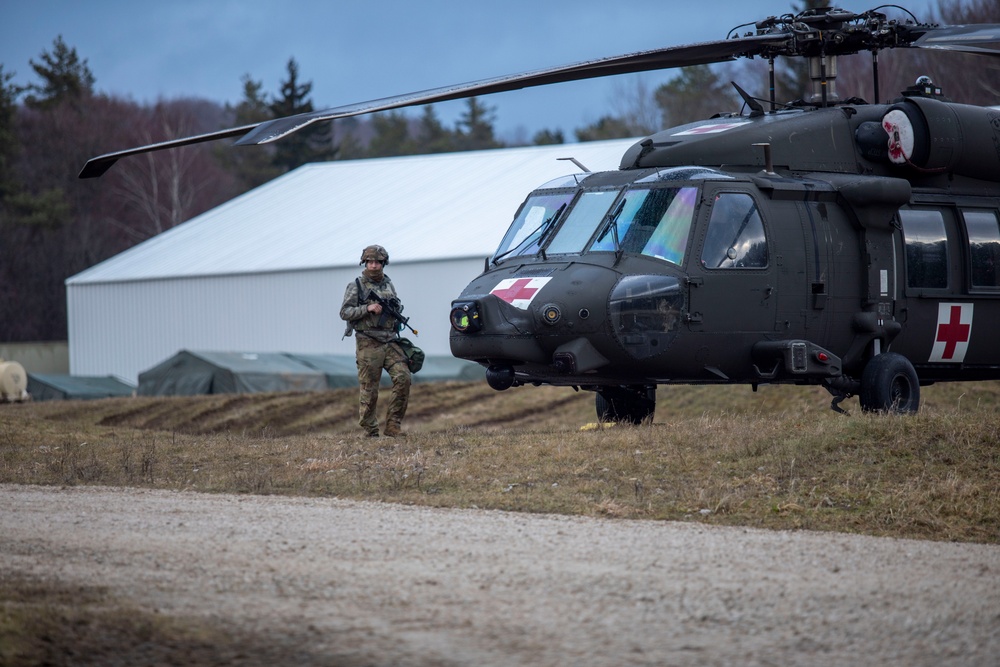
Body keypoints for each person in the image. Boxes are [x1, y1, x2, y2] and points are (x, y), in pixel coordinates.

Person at [340, 245, 411, 437]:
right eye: (370, 262)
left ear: (383, 264)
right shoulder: (356, 285)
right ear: (365, 262)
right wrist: (367, 308)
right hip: (368, 341)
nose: (373, 265)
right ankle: (370, 430)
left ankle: (393, 425)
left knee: (403, 377)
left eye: (377, 262)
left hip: (389, 340)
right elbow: (344, 312)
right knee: (370, 388)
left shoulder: (388, 284)